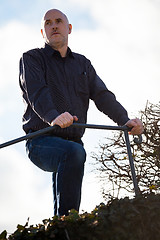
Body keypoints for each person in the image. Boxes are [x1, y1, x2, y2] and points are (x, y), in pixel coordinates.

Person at [19, 9, 143, 216]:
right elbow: (36, 91)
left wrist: (125, 120)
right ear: (43, 32)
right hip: (40, 141)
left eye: (59, 21)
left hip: (73, 142)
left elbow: (102, 95)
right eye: (48, 23)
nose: (54, 26)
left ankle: (62, 226)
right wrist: (53, 116)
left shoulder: (82, 64)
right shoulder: (31, 58)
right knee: (74, 154)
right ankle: (70, 224)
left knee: (73, 152)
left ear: (69, 28)